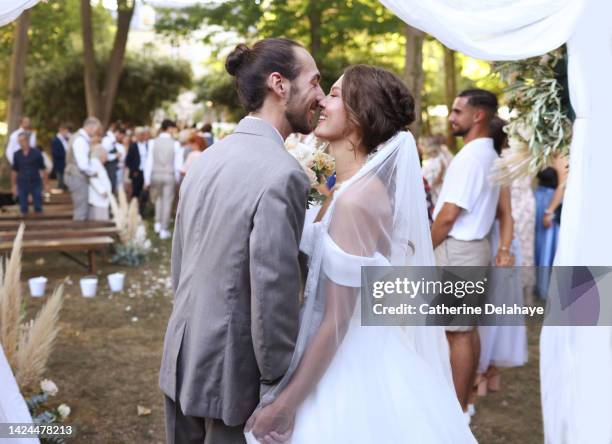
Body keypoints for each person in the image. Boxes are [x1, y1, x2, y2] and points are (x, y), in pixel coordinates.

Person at [244, 65, 475, 444]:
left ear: (359, 113)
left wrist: (286, 404)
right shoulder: (338, 183)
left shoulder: (357, 201)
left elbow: (337, 319)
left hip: (348, 363)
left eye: (334, 95)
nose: (321, 100)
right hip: (326, 344)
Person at [159, 38, 323, 444]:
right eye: (315, 82)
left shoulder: (207, 158)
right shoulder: (283, 174)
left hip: (182, 351)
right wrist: (277, 385)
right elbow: (274, 292)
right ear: (279, 85)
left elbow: (180, 262)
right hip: (231, 373)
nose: (320, 96)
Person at [430, 89, 513, 420]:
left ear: (478, 116)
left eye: (457, 111)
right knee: (466, 329)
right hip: (474, 249)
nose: (451, 117)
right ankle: (465, 402)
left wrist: (424, 246)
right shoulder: (489, 155)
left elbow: (449, 215)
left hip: (460, 250)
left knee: (457, 332)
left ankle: (457, 408)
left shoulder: (469, 158)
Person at [143, 119, 183, 240]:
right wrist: (177, 180)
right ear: (169, 128)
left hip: (155, 174)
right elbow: (177, 164)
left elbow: (148, 161)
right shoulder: (175, 144)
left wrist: (147, 179)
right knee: (167, 201)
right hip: (169, 174)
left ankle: (157, 223)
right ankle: (164, 229)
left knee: (158, 198)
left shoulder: (152, 142)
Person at [534, 154, 567, 299]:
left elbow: (562, 185)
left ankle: (545, 287)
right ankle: (535, 284)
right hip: (538, 200)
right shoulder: (543, 152)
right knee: (536, 244)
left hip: (550, 201)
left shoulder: (561, 156)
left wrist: (550, 211)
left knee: (546, 245)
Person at [65, 117, 102, 221]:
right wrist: (95, 171)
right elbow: (83, 165)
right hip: (77, 176)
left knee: (81, 208)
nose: (96, 132)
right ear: (91, 127)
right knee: (81, 210)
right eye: (96, 129)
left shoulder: (79, 138)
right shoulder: (80, 140)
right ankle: (77, 233)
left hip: (75, 175)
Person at [11, 132, 48, 215]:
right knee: (23, 208)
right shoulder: (16, 155)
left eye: (22, 140)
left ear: (27, 140)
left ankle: (39, 225)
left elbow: (43, 169)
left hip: (35, 182)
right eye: (19, 141)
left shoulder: (37, 153)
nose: (21, 142)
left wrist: (46, 184)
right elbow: (14, 171)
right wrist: (13, 185)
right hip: (22, 183)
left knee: (38, 206)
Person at [419, 134, 454, 206]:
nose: (418, 147)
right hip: (445, 192)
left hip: (438, 197)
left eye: (420, 144)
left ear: (425, 146)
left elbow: (429, 184)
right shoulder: (440, 156)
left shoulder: (429, 163)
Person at [125, 126, 149, 208]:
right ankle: (133, 209)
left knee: (146, 193)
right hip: (137, 172)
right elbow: (128, 161)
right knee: (135, 192)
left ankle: (143, 210)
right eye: (139, 135)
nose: (141, 136)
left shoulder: (148, 145)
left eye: (142, 135)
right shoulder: (133, 146)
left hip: (146, 172)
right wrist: (134, 170)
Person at [88, 143, 112, 221]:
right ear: (101, 154)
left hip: (102, 200)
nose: (107, 157)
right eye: (106, 154)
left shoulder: (97, 163)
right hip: (98, 199)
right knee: (100, 222)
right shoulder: (94, 162)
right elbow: (92, 178)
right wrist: (102, 191)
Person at [50, 123, 70, 190]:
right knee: (61, 182)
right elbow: (55, 153)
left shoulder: (67, 139)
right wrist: (66, 154)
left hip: (66, 164)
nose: (67, 133)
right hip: (59, 165)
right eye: (65, 131)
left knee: (66, 183)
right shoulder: (55, 140)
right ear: (61, 130)